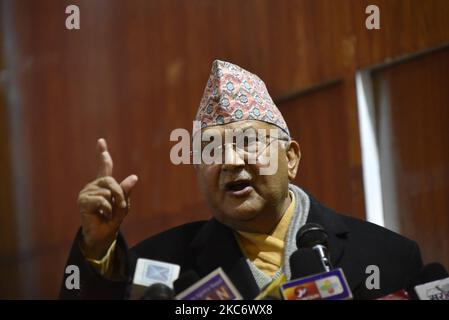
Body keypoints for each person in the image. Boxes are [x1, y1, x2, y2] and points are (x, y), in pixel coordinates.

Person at [60, 60, 423, 300]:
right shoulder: (159, 268)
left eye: (248, 143)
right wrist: (97, 248)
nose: (231, 161)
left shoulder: (386, 256)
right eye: (211, 150)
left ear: (291, 157)